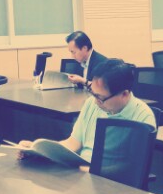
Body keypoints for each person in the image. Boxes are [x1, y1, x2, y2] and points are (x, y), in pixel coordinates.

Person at [18, 59, 155, 164]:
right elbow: (73, 143)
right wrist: (38, 150)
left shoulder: (143, 116)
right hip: (83, 173)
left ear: (124, 94)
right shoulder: (91, 103)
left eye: (100, 98)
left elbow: (132, 168)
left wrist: (92, 170)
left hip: (110, 184)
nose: (95, 102)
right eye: (93, 94)